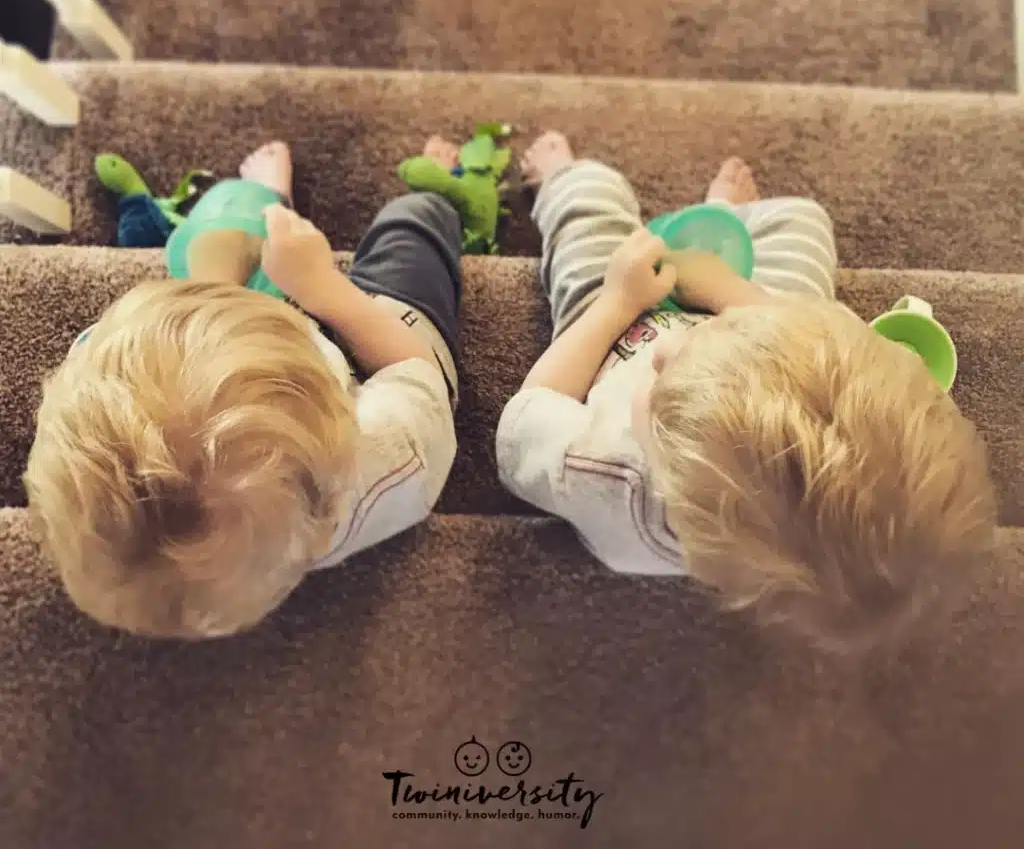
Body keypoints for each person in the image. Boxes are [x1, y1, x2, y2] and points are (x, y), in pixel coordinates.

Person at [496, 132, 997, 655]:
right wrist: (725, 289)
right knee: (803, 221)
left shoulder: (603, 474)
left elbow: (525, 420)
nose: (673, 345)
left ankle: (563, 181)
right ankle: (721, 230)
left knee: (590, 224)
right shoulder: (808, 356)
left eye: (664, 377)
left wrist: (617, 301)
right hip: (762, 346)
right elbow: (792, 322)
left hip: (612, 341)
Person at [25, 138, 464, 639]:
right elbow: (418, 372)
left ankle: (263, 217)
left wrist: (217, 288)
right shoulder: (388, 465)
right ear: (319, 518)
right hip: (381, 344)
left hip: (283, 373)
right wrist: (326, 291)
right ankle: (437, 199)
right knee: (411, 233)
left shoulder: (88, 390)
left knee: (203, 323)